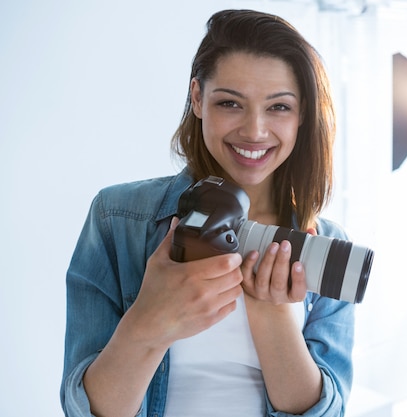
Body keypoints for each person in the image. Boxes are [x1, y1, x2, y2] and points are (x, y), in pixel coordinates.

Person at [61, 9, 355, 417]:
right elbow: (83, 411)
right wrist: (147, 322)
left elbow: (328, 412)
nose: (254, 131)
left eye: (279, 108)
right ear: (197, 98)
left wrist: (272, 315)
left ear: (302, 113)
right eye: (230, 103)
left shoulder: (326, 250)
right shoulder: (117, 219)